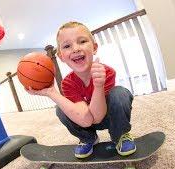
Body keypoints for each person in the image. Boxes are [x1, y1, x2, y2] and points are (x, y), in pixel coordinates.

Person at [26, 21, 136, 158]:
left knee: (120, 93)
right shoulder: (67, 83)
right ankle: (88, 138)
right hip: (86, 121)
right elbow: (87, 120)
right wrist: (51, 93)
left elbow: (98, 117)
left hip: (110, 117)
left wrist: (98, 85)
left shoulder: (106, 72)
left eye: (82, 41)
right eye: (67, 46)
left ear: (94, 48)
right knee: (61, 108)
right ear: (61, 56)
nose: (75, 49)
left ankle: (120, 136)